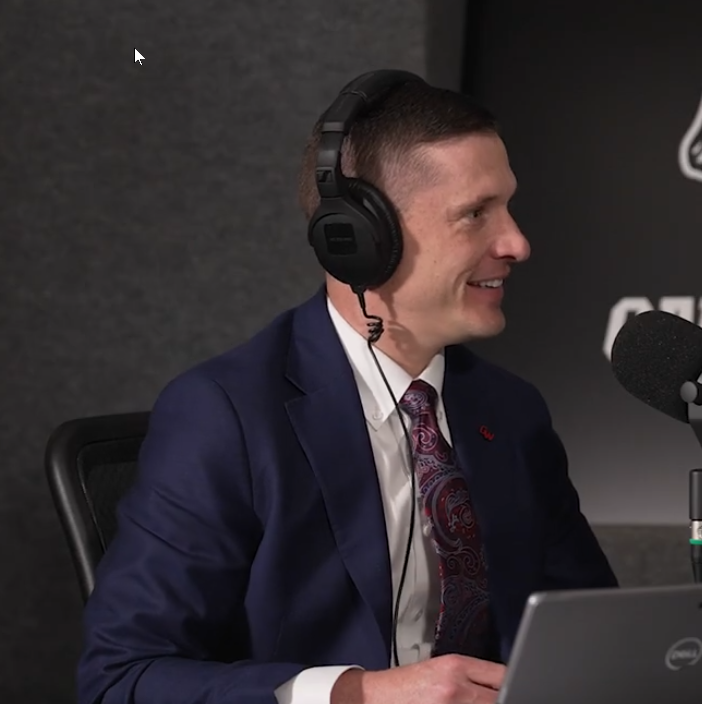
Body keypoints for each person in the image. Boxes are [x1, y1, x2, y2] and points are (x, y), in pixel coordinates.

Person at [77, 69, 618, 704]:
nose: (518, 242)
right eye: (475, 214)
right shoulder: (225, 416)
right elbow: (122, 681)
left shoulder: (511, 411)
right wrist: (356, 694)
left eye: (508, 206)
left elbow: (589, 635)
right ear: (359, 239)